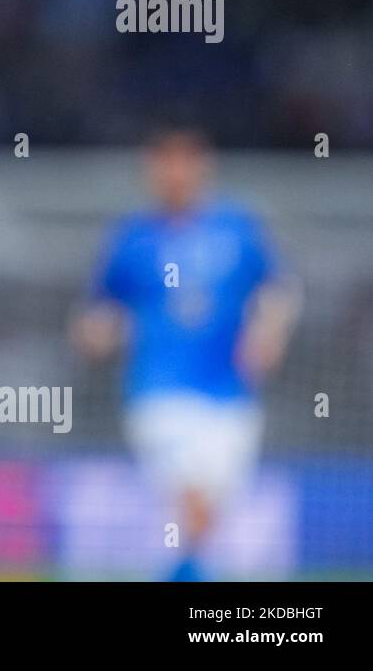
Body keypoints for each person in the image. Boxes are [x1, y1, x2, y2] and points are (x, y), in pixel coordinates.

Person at [72, 126, 301, 581]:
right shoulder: (134, 238)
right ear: (152, 171)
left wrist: (269, 332)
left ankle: (179, 572)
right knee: (192, 504)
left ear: (202, 167)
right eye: (165, 163)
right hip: (159, 393)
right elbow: (99, 311)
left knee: (206, 516)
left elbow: (280, 289)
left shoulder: (236, 229)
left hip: (230, 395)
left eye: (185, 162)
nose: (175, 174)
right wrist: (97, 333)